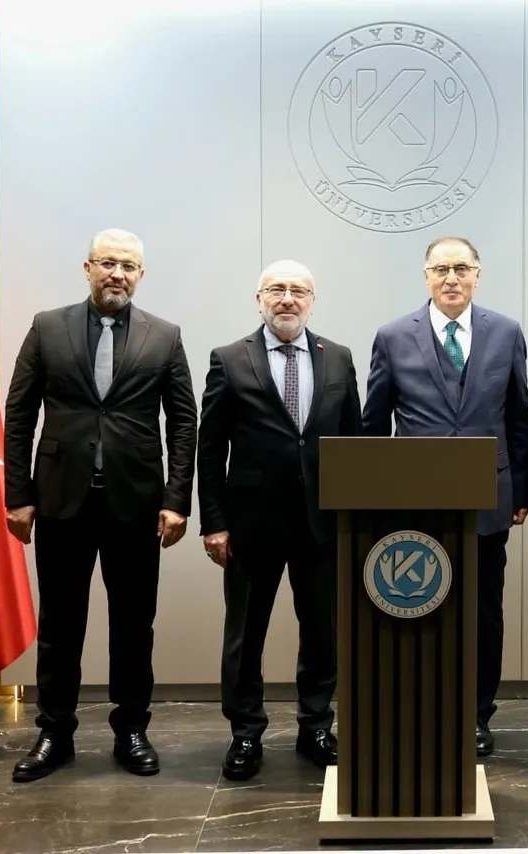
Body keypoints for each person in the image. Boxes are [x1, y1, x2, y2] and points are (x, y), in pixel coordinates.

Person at [4, 228, 198, 782]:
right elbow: (18, 415)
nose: (118, 274)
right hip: (60, 501)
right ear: (87, 267)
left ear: (141, 275)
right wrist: (18, 495)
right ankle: (54, 732)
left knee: (134, 624)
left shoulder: (165, 336)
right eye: (108, 263)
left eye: (128, 266)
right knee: (59, 625)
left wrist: (176, 499)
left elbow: (184, 423)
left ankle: (131, 728)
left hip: (136, 504)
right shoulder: (48, 327)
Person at [361, 236, 528, 757]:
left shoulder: (506, 332)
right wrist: (373, 495)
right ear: (426, 276)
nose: (451, 278)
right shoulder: (393, 336)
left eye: (461, 268)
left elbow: (518, 416)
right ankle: (421, 707)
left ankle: (477, 714)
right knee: (417, 607)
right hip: (414, 500)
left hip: (488, 498)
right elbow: (373, 424)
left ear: (478, 275)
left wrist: (523, 489)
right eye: (441, 269)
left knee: (483, 612)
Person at [197, 260, 362, 782]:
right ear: (259, 298)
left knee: (322, 632)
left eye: (298, 291)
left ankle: (316, 725)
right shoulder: (229, 359)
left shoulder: (339, 357)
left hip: (322, 522)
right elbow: (209, 448)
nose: (287, 299)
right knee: (246, 634)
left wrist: (354, 517)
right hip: (251, 524)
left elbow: (354, 442)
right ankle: (246, 731)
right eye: (276, 290)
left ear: (312, 301)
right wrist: (214, 522)